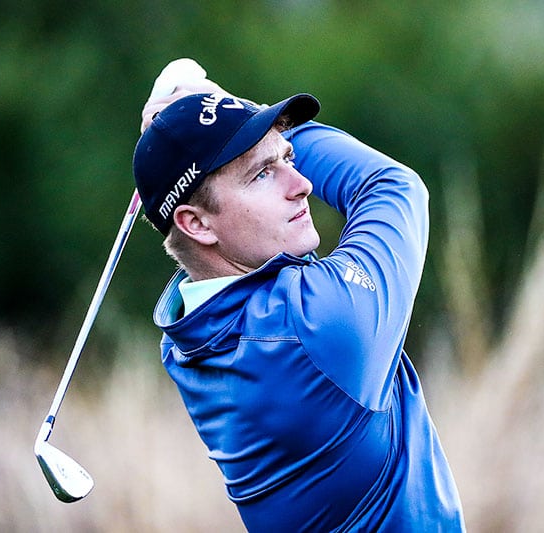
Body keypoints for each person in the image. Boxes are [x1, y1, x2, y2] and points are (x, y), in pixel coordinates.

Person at [132, 75, 465, 531]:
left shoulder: (185, 337)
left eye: (289, 157)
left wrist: (228, 123)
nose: (302, 183)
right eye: (262, 174)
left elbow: (230, 255)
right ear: (198, 225)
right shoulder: (318, 323)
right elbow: (393, 187)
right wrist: (234, 106)